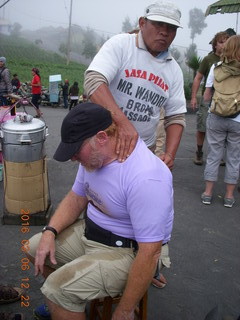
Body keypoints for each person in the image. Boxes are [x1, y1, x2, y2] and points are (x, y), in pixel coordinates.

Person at [26, 102, 174, 320]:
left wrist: (124, 311)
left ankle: (63, 301)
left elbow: (150, 253)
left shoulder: (146, 177)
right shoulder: (93, 158)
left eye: (76, 150)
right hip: (92, 234)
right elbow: (76, 198)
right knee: (33, 248)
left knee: (58, 290)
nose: (73, 158)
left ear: (102, 137)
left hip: (129, 251)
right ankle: (65, 305)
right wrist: (50, 232)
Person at [84, 1, 186, 169]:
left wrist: (169, 155)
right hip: (104, 145)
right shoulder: (122, 45)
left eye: (171, 28)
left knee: (135, 194)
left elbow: (176, 116)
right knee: (93, 193)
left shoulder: (173, 69)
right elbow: (94, 80)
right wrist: (123, 124)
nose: (164, 32)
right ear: (142, 23)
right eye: (158, 24)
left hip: (143, 151)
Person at [201, 35, 240, 208]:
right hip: (238, 119)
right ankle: (229, 196)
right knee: (234, 158)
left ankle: (208, 193)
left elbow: (207, 95)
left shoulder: (216, 67)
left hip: (216, 116)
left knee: (213, 155)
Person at [190, 31, 230, 165]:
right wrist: (194, 97)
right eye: (221, 42)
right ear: (215, 45)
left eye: (226, 42)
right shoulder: (209, 59)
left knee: (222, 128)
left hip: (225, 100)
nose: (224, 45)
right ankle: (199, 153)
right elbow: (198, 77)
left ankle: (218, 155)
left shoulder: (232, 59)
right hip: (208, 98)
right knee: (202, 127)